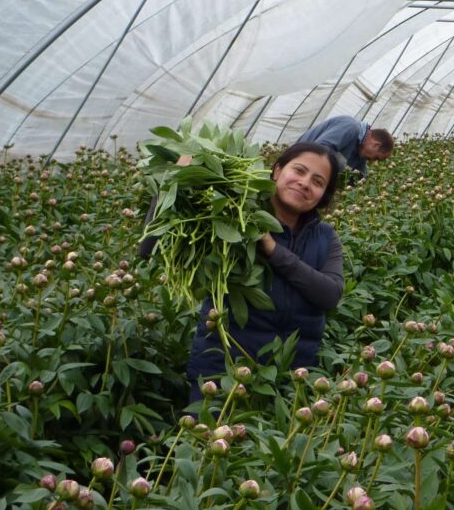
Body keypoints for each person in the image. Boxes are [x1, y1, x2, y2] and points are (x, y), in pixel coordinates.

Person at [142, 142, 344, 404]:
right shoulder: (230, 217)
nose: (305, 183)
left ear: (324, 194)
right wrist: (172, 186)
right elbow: (150, 249)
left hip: (292, 379)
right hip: (222, 370)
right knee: (205, 440)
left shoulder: (326, 238)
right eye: (299, 170)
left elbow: (330, 295)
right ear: (277, 170)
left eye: (318, 181)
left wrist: (274, 251)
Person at [297, 115, 393, 178]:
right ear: (376, 145)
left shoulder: (360, 150)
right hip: (298, 164)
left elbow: (361, 174)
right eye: (376, 158)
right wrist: (344, 167)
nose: (372, 161)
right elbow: (320, 148)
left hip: (309, 173)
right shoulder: (351, 127)